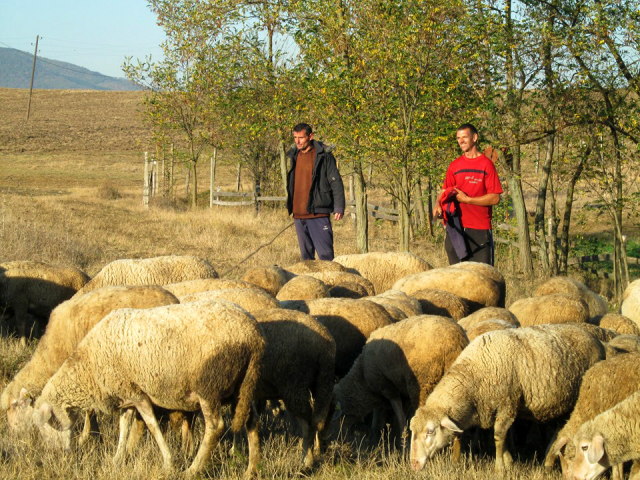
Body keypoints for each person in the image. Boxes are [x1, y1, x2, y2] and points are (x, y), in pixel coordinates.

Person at [433, 123, 503, 266]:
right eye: (458, 138)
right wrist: (437, 205)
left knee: (482, 280)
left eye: (464, 137)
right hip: (456, 229)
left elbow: (495, 198)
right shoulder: (455, 165)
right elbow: (444, 191)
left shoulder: (486, 165)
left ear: (475, 137)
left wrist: (468, 200)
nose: (461, 141)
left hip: (479, 229)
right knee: (456, 279)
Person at [286, 123, 345, 261]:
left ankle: (330, 282)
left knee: (326, 257)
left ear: (310, 136)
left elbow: (335, 181)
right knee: (306, 260)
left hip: (318, 213)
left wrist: (339, 207)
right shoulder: (294, 155)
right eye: (295, 137)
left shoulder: (324, 156)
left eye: (301, 138)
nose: (297, 141)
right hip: (299, 215)